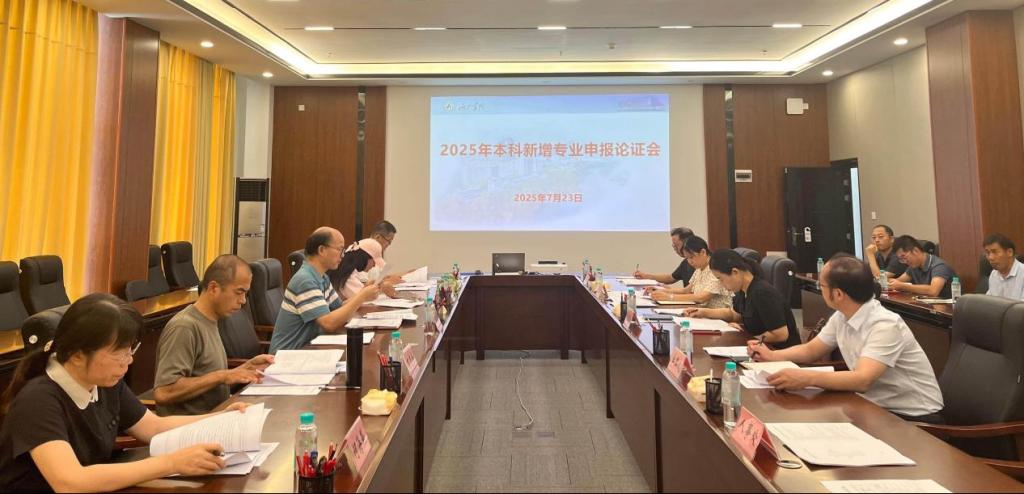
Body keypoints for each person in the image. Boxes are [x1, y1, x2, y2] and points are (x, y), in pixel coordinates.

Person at [0, 293, 251, 492]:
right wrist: (171, 463)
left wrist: (220, 418)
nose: (128, 361)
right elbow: (70, 482)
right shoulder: (38, 401)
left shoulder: (103, 381)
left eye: (131, 349)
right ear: (77, 355)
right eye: (118, 353)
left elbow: (153, 427)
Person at [746, 256, 944, 422]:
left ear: (838, 293)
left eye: (822, 285)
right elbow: (811, 350)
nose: (819, 289)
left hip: (914, 416)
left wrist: (807, 378)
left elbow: (862, 380)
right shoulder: (842, 315)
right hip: (873, 406)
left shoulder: (885, 325)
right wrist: (772, 355)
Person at [153, 255, 273, 416]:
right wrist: (222, 376)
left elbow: (209, 380)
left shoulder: (212, 320)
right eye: (239, 292)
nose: (243, 300)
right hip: (193, 426)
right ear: (214, 288)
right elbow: (164, 392)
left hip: (218, 414)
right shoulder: (184, 327)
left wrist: (246, 368)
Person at [270, 227, 381, 352]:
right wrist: (362, 297)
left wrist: (363, 293)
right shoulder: (305, 280)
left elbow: (339, 308)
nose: (343, 255)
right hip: (289, 354)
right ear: (321, 250)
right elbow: (329, 324)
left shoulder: (322, 276)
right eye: (339, 249)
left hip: (309, 347)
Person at [684, 249, 801, 349]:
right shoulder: (743, 289)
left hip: (779, 353)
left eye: (721, 279)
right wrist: (703, 312)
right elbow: (734, 314)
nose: (721, 284)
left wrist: (747, 337)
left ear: (735, 272)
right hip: (759, 349)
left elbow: (780, 334)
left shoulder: (762, 292)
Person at [647, 235, 732, 309]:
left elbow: (701, 297)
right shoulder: (699, 269)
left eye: (691, 257)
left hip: (718, 317)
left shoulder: (716, 268)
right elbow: (686, 290)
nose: (689, 261)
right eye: (687, 258)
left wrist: (669, 297)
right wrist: (662, 291)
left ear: (703, 252)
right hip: (701, 313)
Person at [888, 235, 957, 298]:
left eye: (904, 257)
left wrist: (903, 286)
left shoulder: (939, 266)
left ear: (915, 251)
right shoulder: (914, 266)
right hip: (924, 304)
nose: (905, 261)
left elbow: (933, 291)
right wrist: (891, 283)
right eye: (901, 259)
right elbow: (899, 281)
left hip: (946, 306)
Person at [984, 233, 1024, 301]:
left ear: (1010, 252)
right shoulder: (994, 274)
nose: (990, 257)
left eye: (995, 252)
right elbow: (989, 302)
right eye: (988, 253)